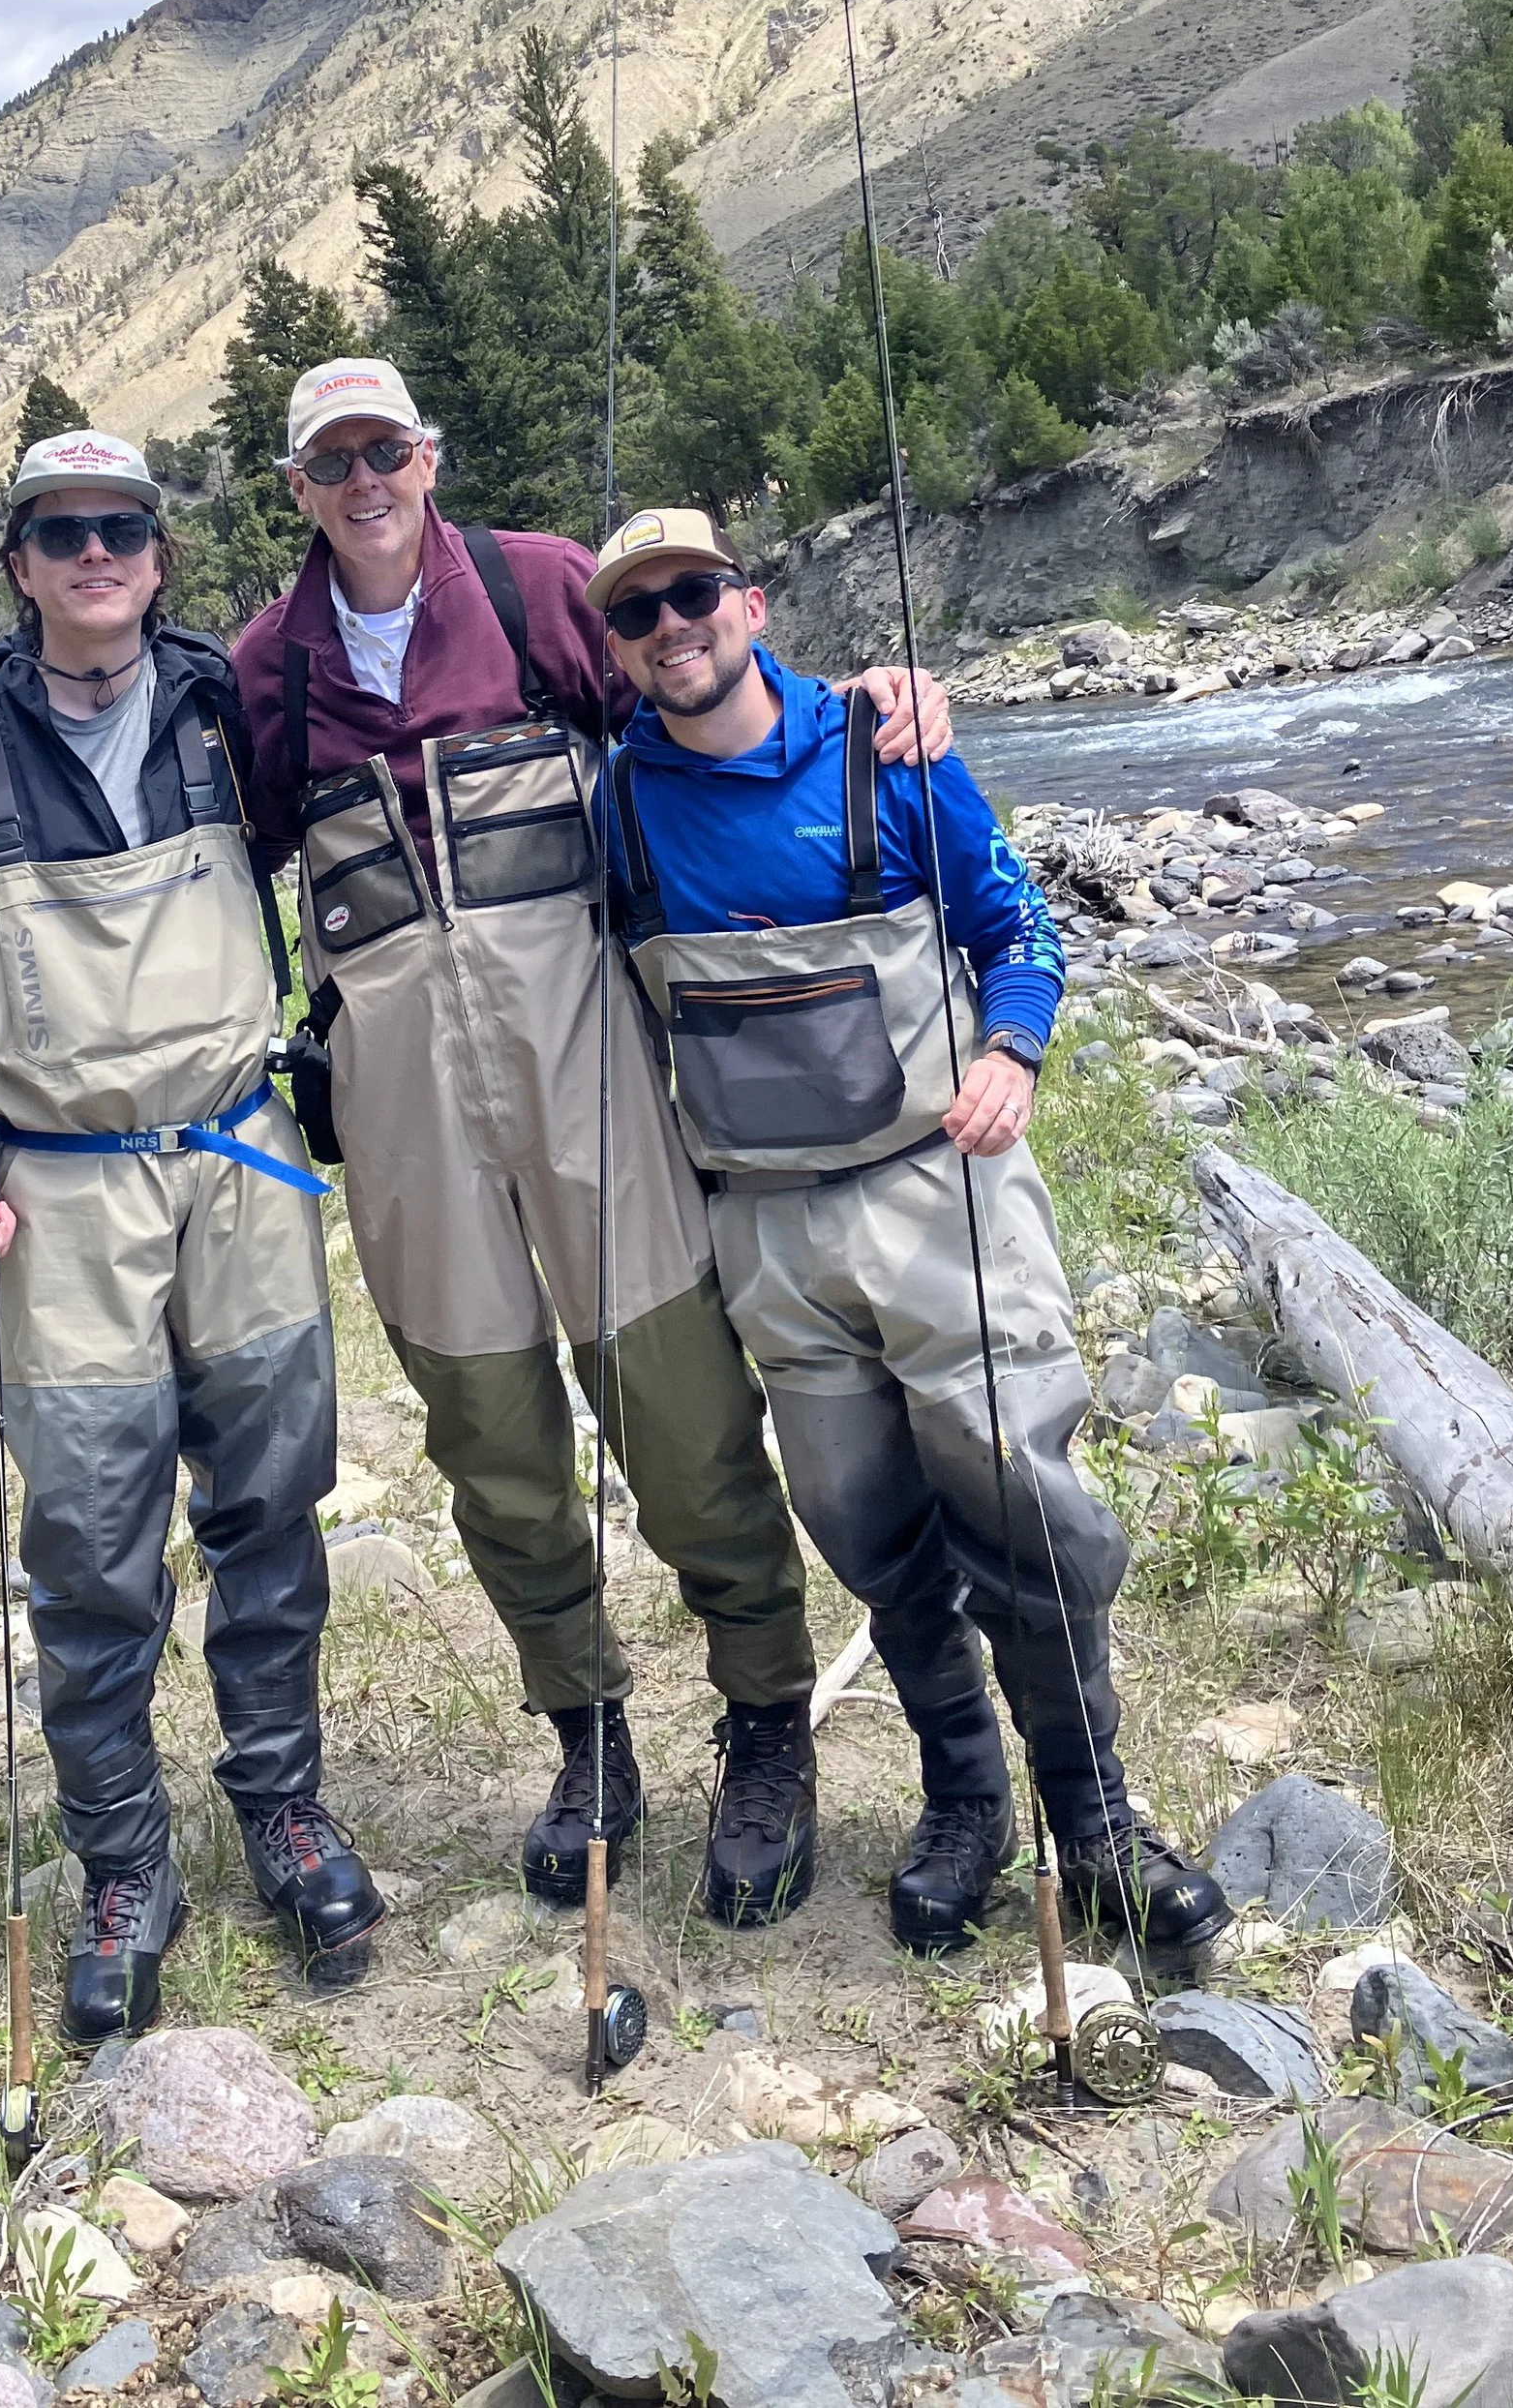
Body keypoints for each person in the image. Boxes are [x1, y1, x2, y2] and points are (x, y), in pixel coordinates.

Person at [230, 356, 953, 1927]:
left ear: (427, 456)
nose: (364, 482)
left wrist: (871, 711)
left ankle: (766, 1727)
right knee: (491, 1443)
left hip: (595, 1077)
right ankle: (589, 1733)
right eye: (331, 462)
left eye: (385, 449)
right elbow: (216, 853)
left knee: (686, 1421)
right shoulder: (264, 671)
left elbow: (708, 696)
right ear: (297, 490)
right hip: (406, 1116)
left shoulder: (540, 588)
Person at [589, 504, 1230, 1960]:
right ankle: (963, 1795)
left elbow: (1019, 928)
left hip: (941, 1194)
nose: (672, 626)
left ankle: (1096, 1819)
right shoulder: (611, 802)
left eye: (694, 594)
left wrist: (1013, 1051)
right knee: (865, 1527)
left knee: (1025, 1508)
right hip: (764, 1230)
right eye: (637, 612)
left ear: (751, 605)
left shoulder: (885, 747)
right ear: (615, 648)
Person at [0, 428, 382, 2042]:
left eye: (121, 530)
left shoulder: (232, 705)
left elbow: (412, 732)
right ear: (18, 564)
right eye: (61, 532)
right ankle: (121, 1865)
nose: (94, 554)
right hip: (61, 1189)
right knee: (90, 1543)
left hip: (240, 1159)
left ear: (160, 560)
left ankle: (283, 1807)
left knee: (272, 1501)